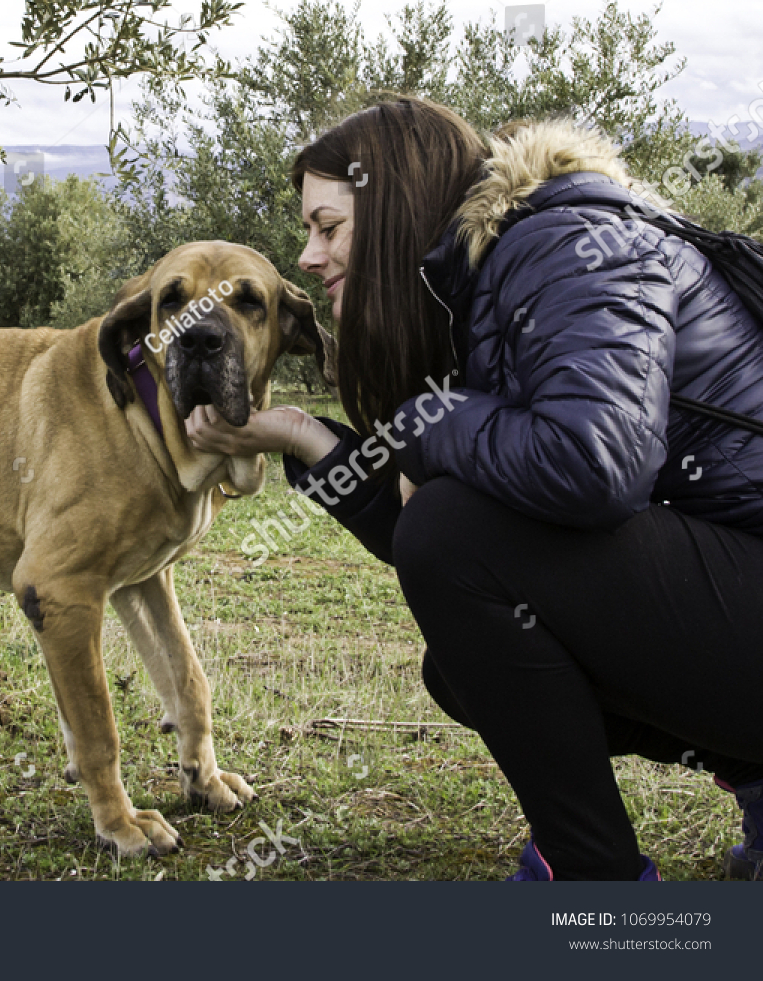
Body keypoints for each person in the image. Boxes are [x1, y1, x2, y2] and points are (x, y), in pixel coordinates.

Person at [185, 96, 763, 881]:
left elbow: (596, 464)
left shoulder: (564, 245)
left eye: (328, 226)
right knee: (461, 666)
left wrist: (427, 421)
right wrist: (300, 433)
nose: (310, 257)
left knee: (454, 537)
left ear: (390, 211)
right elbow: (461, 554)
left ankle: (596, 884)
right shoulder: (484, 289)